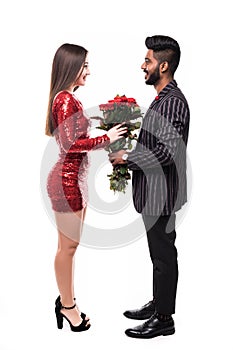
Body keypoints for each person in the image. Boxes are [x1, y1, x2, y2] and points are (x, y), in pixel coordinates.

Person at [109, 35, 190, 339]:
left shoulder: (173, 102)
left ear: (164, 65)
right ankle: (159, 302)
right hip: (153, 193)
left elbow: (169, 153)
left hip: (161, 195)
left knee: (164, 256)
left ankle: (164, 318)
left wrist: (127, 157)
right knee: (158, 254)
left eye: (148, 61)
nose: (143, 66)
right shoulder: (162, 98)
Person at [45, 43, 127, 332]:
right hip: (66, 182)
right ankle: (67, 307)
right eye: (85, 66)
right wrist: (108, 138)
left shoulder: (66, 98)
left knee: (69, 246)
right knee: (67, 248)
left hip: (72, 180)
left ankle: (67, 302)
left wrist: (102, 124)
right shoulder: (65, 99)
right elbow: (70, 145)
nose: (88, 72)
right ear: (71, 67)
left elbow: (73, 135)